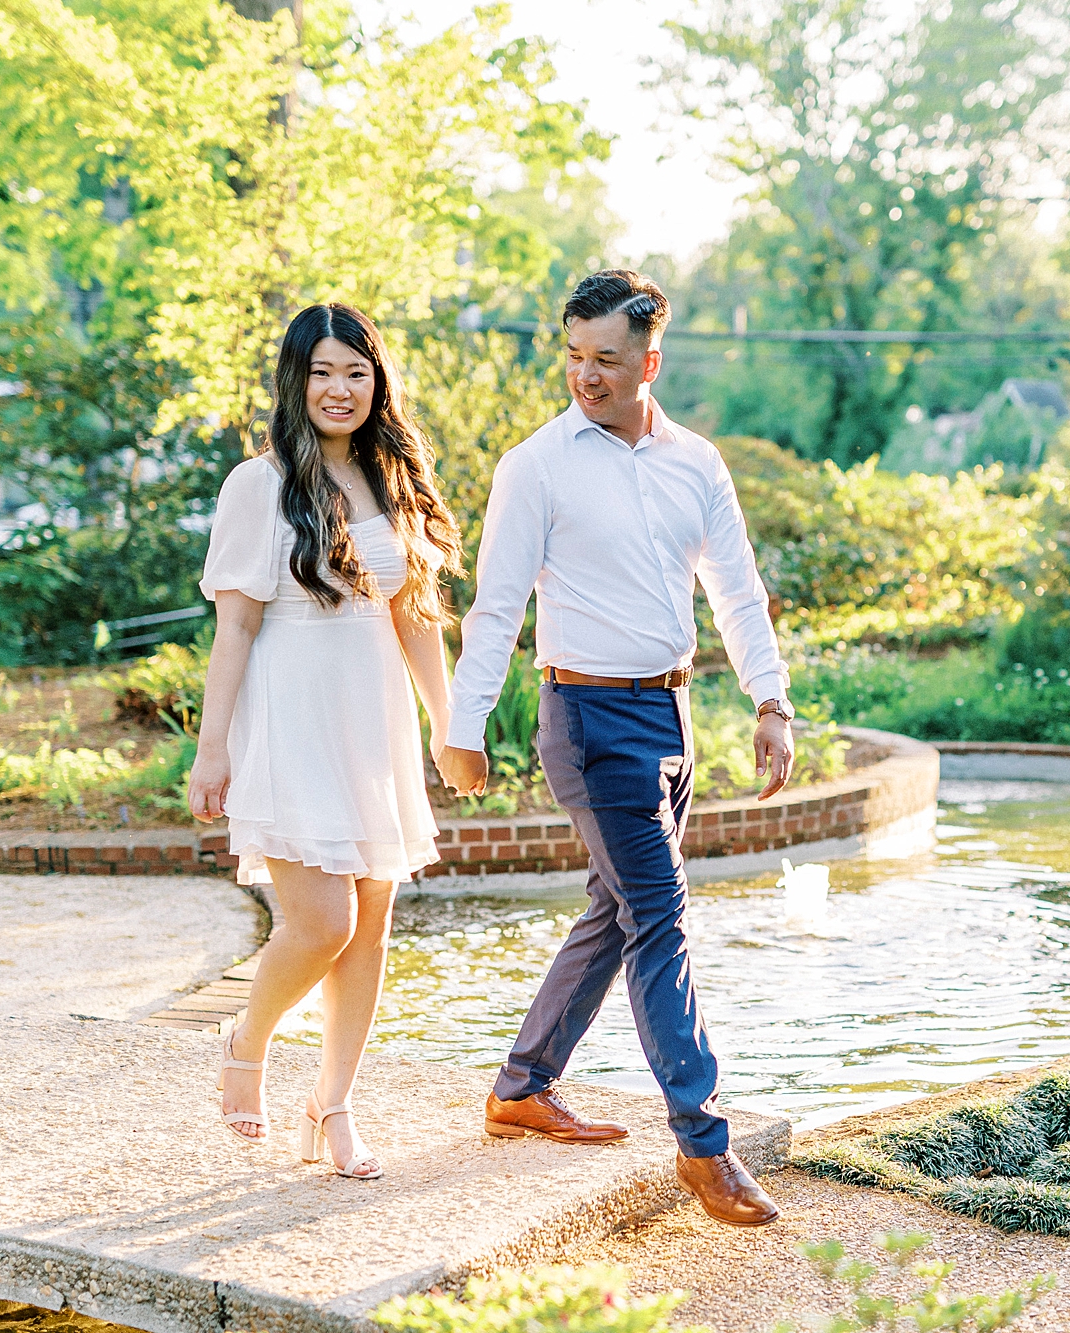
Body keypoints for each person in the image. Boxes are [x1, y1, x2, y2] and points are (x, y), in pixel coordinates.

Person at [438, 270, 796, 1227]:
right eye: (573, 355)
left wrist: (771, 701)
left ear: (650, 361)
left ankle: (522, 1084)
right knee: (661, 919)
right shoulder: (537, 465)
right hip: (589, 722)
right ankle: (702, 1141)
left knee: (617, 910)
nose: (585, 375)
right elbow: (496, 606)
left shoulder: (697, 463)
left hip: (671, 719)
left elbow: (737, 589)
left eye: (605, 359)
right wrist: (463, 729)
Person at [189, 303, 463, 1179]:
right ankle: (248, 1036)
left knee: (371, 927)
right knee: (321, 922)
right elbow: (234, 630)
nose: (338, 389)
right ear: (294, 381)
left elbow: (416, 618)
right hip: (291, 721)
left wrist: (450, 725)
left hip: (372, 726)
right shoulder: (257, 485)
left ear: (376, 380)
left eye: (355, 371)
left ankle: (332, 1104)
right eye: (321, 372)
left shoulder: (393, 484)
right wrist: (212, 748)